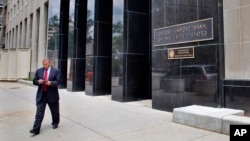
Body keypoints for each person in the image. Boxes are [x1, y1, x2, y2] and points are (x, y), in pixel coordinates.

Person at [30, 57, 61, 135]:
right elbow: (34, 81)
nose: (45, 66)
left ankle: (55, 122)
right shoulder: (39, 71)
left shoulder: (56, 71)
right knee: (39, 113)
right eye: (43, 64)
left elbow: (58, 81)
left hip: (52, 94)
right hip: (42, 94)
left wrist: (51, 83)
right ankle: (36, 129)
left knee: (55, 111)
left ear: (49, 63)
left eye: (46, 64)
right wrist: (38, 81)